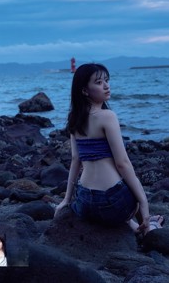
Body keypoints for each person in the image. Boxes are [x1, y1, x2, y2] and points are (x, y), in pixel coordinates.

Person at [54, 63, 163, 235]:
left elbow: (76, 160)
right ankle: (150, 228)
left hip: (85, 202)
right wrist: (143, 202)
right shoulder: (107, 116)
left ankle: (135, 226)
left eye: (106, 80)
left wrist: (67, 199)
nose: (106, 86)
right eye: (98, 82)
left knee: (122, 211)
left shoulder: (74, 118)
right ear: (84, 90)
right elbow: (122, 163)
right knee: (131, 190)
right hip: (111, 201)